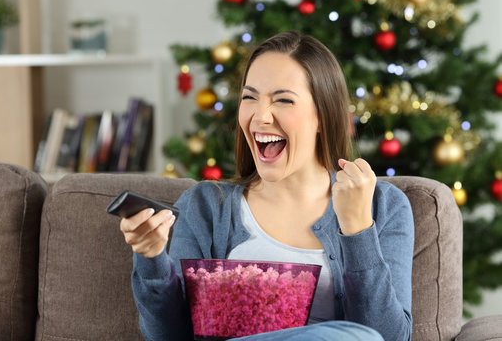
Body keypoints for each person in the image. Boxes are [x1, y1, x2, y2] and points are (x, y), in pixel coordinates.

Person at [120, 31, 414, 341]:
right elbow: (170, 337)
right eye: (249, 97)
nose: (260, 116)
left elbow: (388, 337)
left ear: (323, 117)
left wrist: (357, 230)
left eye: (283, 100)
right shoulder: (206, 207)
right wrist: (152, 259)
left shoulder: (384, 206)